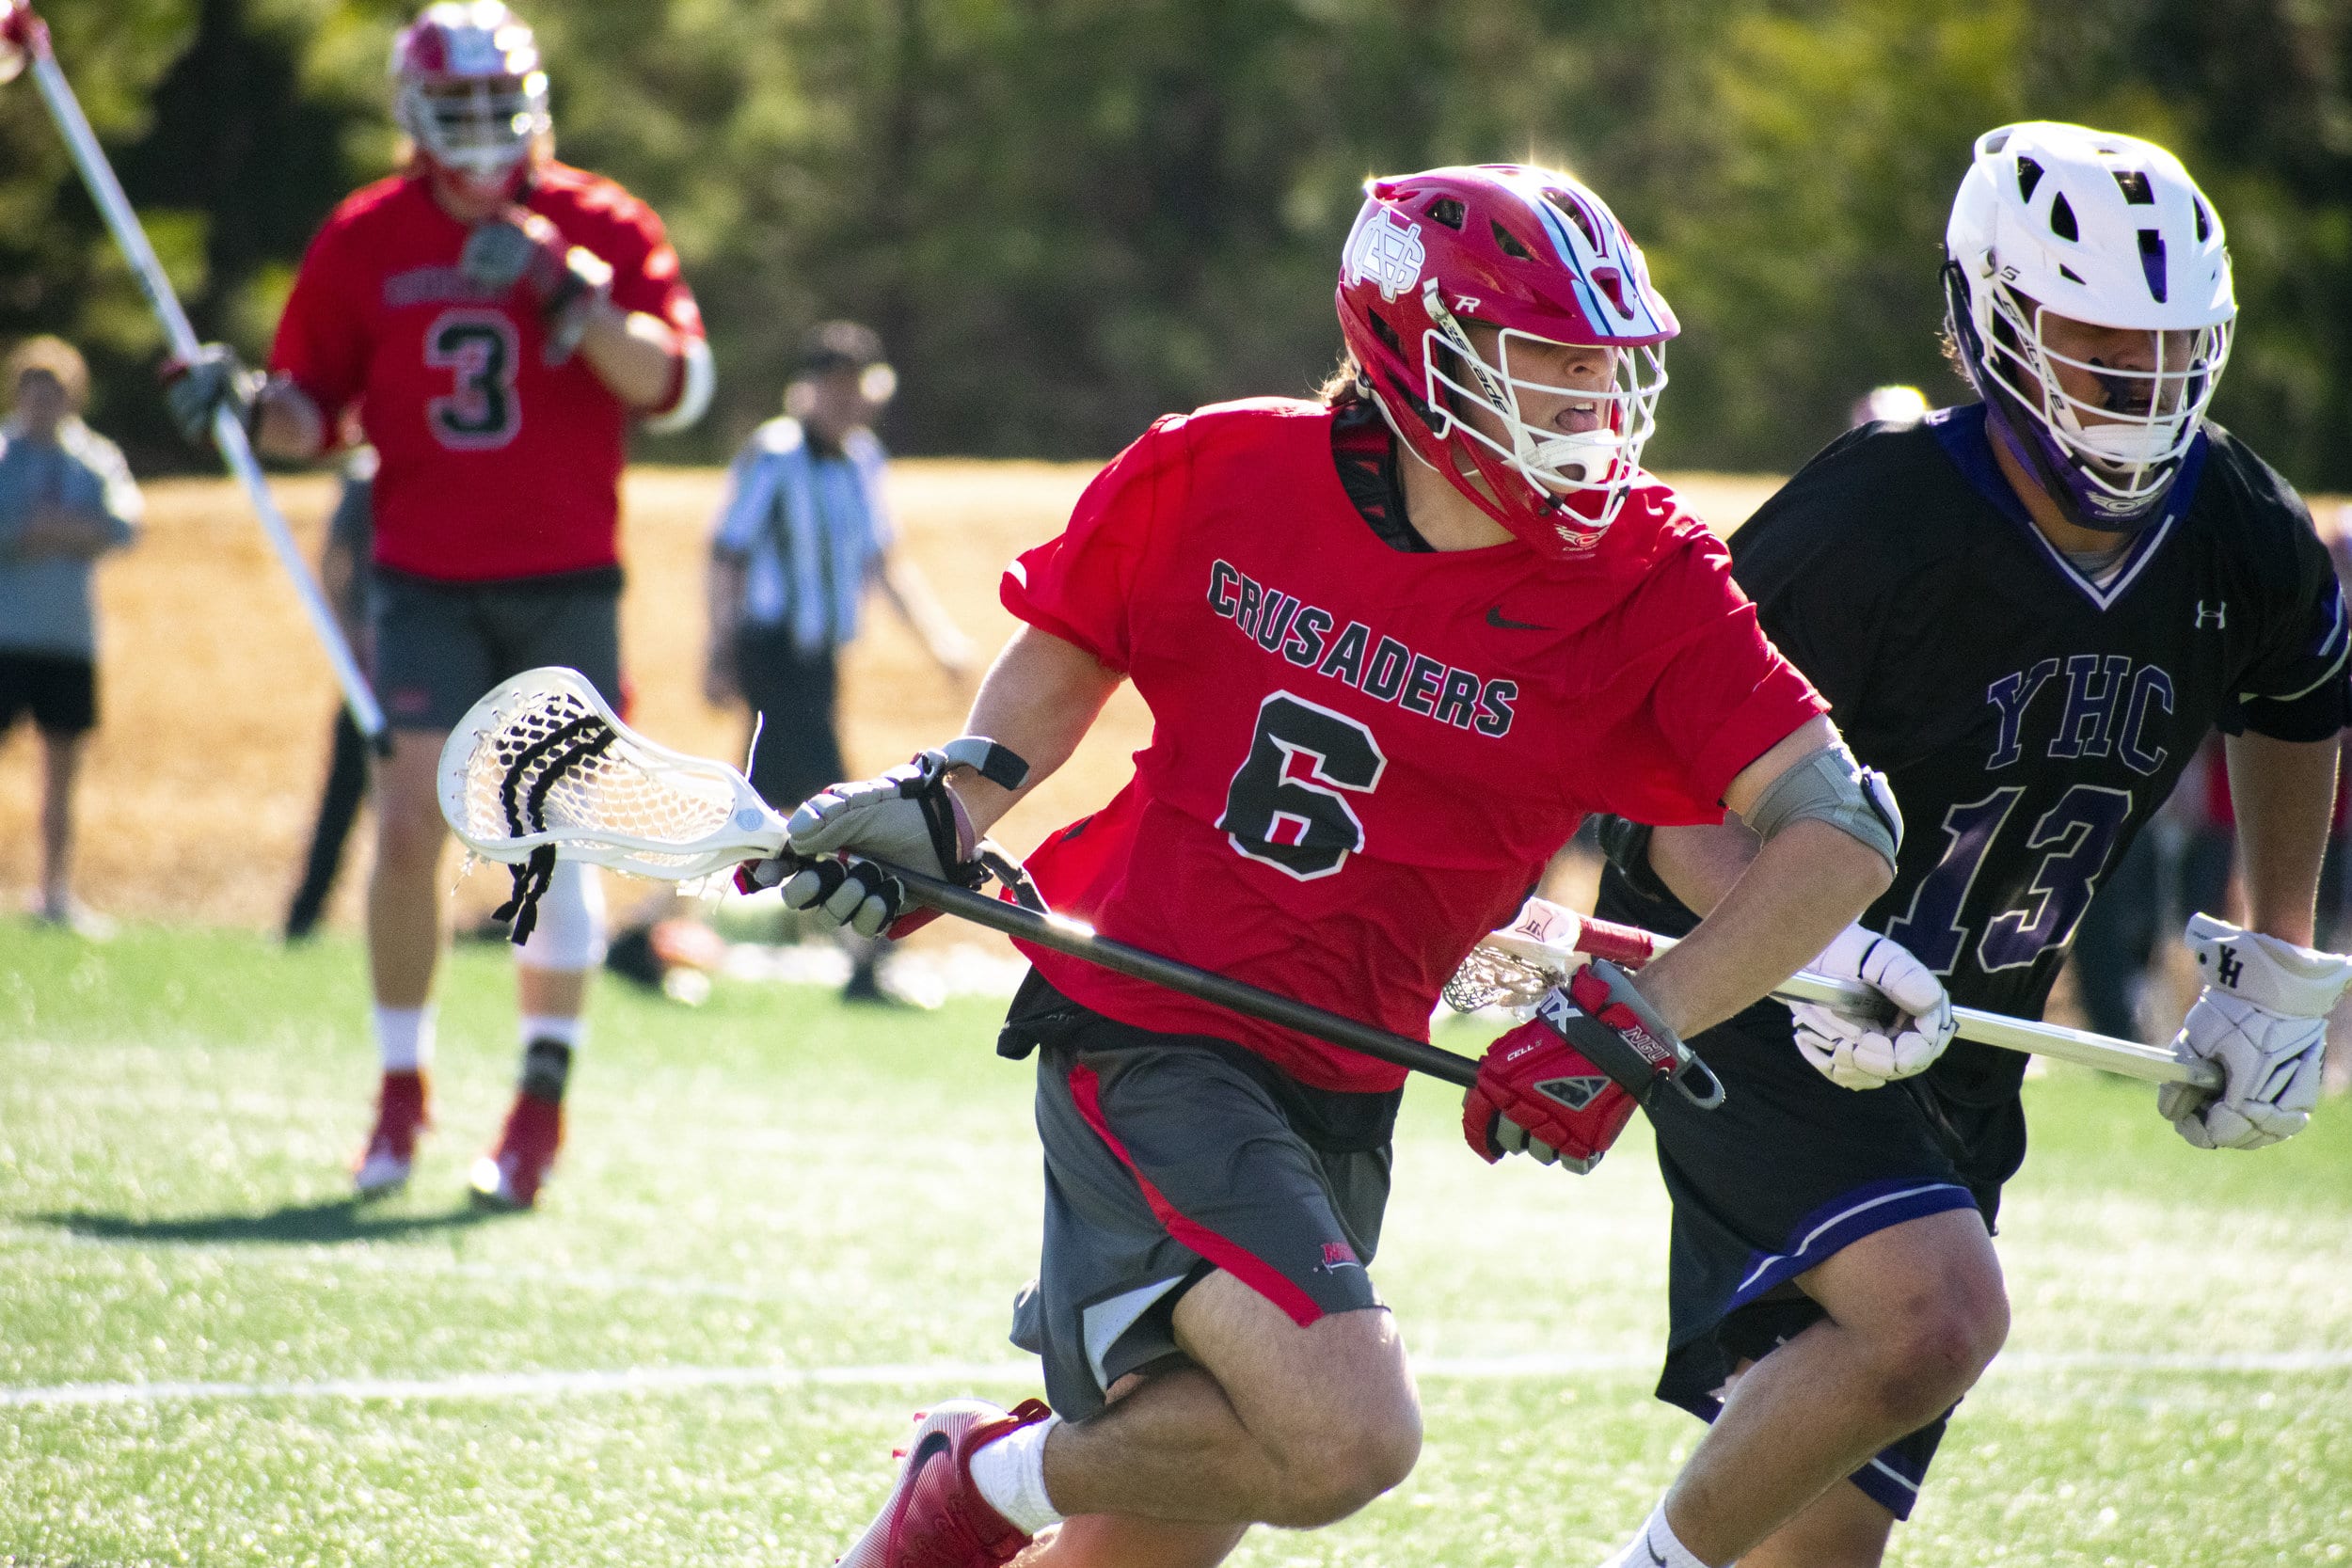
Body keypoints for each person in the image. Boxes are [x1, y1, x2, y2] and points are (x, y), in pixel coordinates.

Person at [760, 164, 1901, 1568]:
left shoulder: (1645, 570)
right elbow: (1077, 638)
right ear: (1416, 349)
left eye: (1604, 372)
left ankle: (1003, 1488)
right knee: (1351, 1435)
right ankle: (980, 1476)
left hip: (1346, 1075)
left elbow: (1838, 828)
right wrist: (955, 798)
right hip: (1152, 1026)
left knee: (1146, 1545)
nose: (1586, 411)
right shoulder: (1223, 467)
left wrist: (1657, 1009)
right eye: (1544, 366)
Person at [1588, 122, 2352, 1568]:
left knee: (1823, 1532)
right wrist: (1814, 945)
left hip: (1966, 1031)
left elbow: (2302, 689)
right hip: (1761, 989)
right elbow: (1664, 790)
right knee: (1943, 1308)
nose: (2139, 387)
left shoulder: (2236, 519)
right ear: (1993, 321)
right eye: (2094, 343)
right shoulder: (1877, 513)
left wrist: (2282, 950)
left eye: (2169, 347)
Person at [164, 0, 713, 1209]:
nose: (475, 127)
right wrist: (242, 403)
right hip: (423, 570)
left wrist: (563, 290)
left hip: (564, 570)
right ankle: (402, 1090)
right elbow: (314, 412)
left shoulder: (599, 221)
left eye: (490, 99)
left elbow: (673, 384)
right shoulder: (366, 235)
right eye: (451, 104)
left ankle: (535, 1107)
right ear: (414, 112)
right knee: (410, 818)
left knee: (548, 835)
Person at [698, 320, 974, 1002]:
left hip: (818, 661)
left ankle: (645, 932)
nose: (846, 401)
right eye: (834, 387)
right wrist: (720, 646)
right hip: (773, 652)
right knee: (839, 805)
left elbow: (884, 561)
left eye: (857, 387)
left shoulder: (862, 461)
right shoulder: (775, 453)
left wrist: (938, 639)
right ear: (809, 390)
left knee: (763, 808)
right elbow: (727, 552)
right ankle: (867, 961)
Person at [0, 335, 140, 936]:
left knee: (62, 772)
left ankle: (54, 893)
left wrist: (59, 530)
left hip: (67, 638)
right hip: (6, 635)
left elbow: (125, 525)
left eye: (53, 391)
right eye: (32, 390)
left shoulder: (94, 459)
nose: (42, 403)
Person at [283, 445, 378, 942]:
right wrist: (348, 633)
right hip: (374, 663)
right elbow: (334, 559)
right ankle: (305, 915)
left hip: (435, 664)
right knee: (344, 792)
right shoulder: (367, 478)